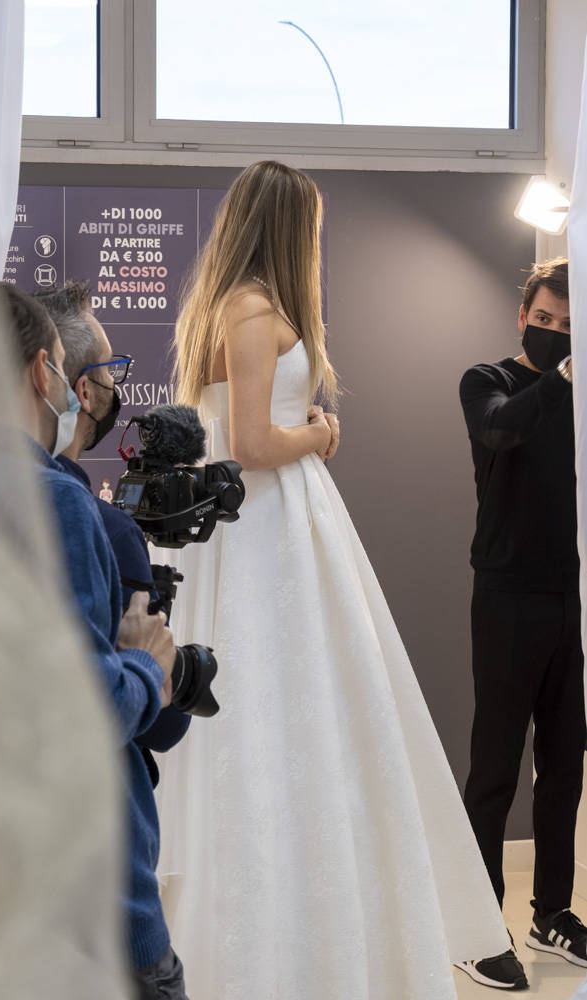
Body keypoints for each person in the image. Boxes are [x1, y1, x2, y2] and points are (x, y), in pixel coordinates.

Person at [151, 160, 510, 1000]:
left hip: (265, 530)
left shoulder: (236, 307)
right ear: (286, 225)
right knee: (275, 707)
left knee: (292, 707)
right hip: (263, 529)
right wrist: (318, 435)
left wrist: (305, 427)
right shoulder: (253, 309)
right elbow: (249, 444)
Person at [37, 281, 192, 1000]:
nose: (113, 387)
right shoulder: (91, 520)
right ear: (74, 387)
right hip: (104, 890)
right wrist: (154, 667)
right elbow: (151, 723)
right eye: (108, 370)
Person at [457, 258, 587, 988]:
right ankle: (480, 928)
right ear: (521, 318)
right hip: (507, 596)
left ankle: (551, 914)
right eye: (543, 320)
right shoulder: (487, 380)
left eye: (567, 325)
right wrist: (562, 373)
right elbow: (499, 431)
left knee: (564, 765)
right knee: (495, 769)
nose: (552, 332)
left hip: (571, 597)